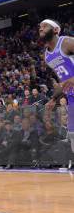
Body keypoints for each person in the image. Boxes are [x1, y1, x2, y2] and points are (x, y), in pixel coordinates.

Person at [40, 19, 74, 170]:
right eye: (39, 26)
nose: (41, 28)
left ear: (55, 30)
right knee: (72, 135)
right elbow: (63, 81)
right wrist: (53, 98)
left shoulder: (66, 42)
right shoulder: (47, 56)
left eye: (45, 25)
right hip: (72, 97)